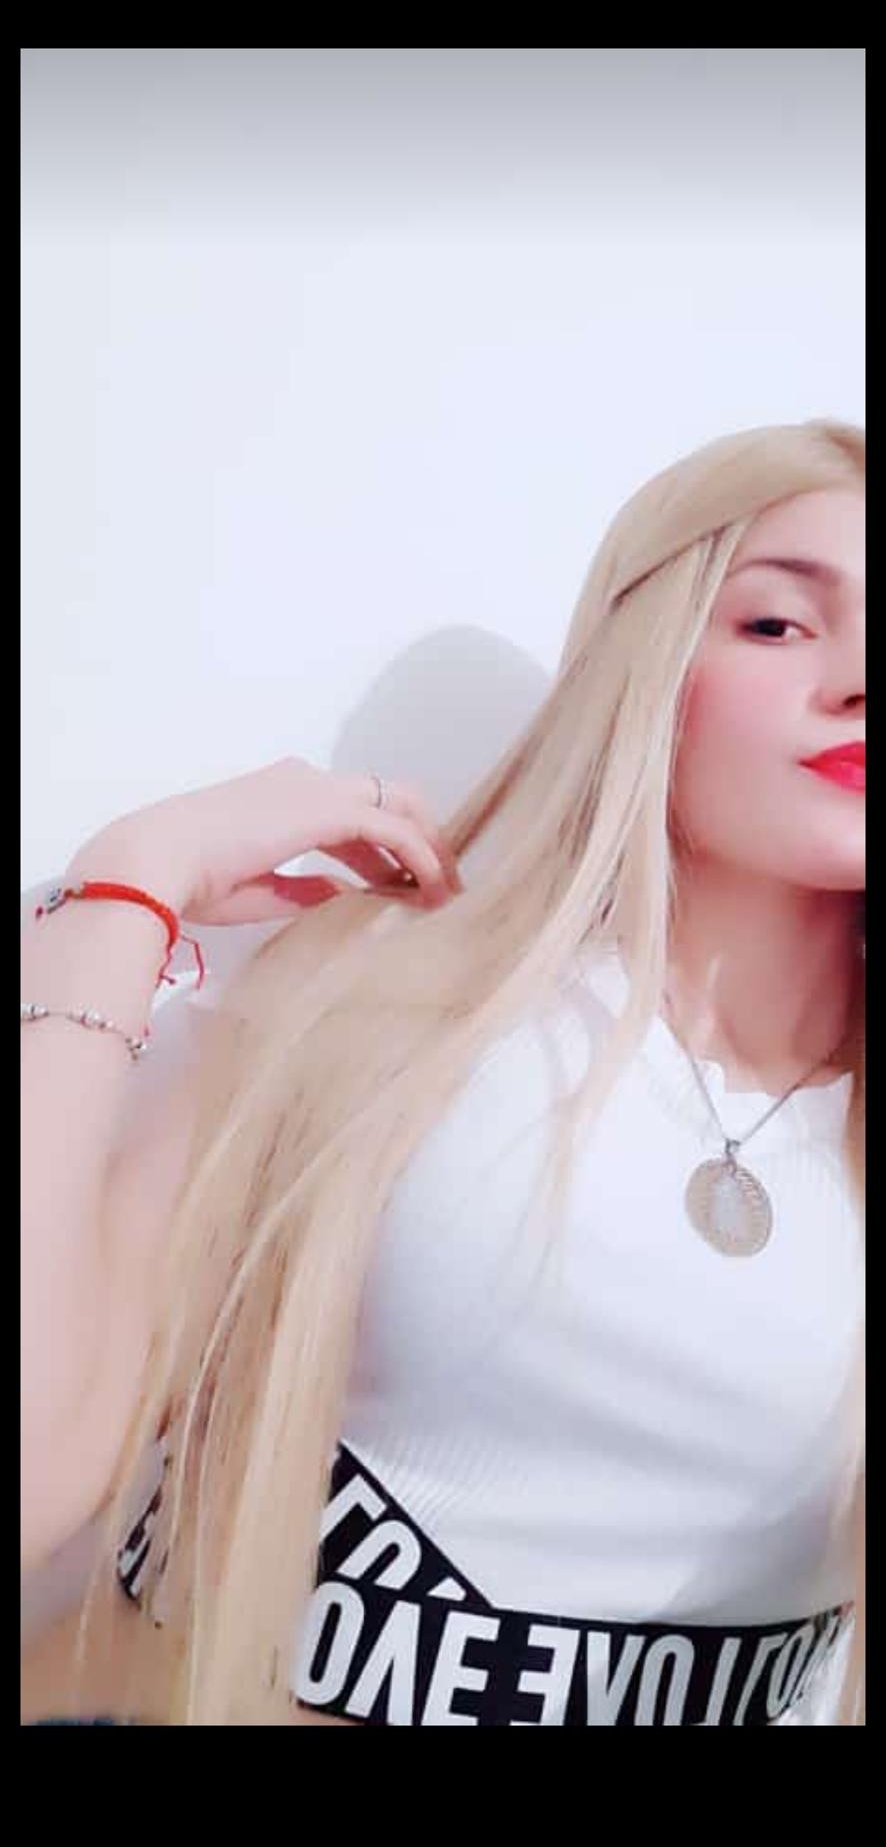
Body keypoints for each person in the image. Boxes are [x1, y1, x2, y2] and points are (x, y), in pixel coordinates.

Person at [21, 420, 865, 1727]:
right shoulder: (374, 1003)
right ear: (645, 664)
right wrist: (123, 893)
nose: (858, 679)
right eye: (778, 624)